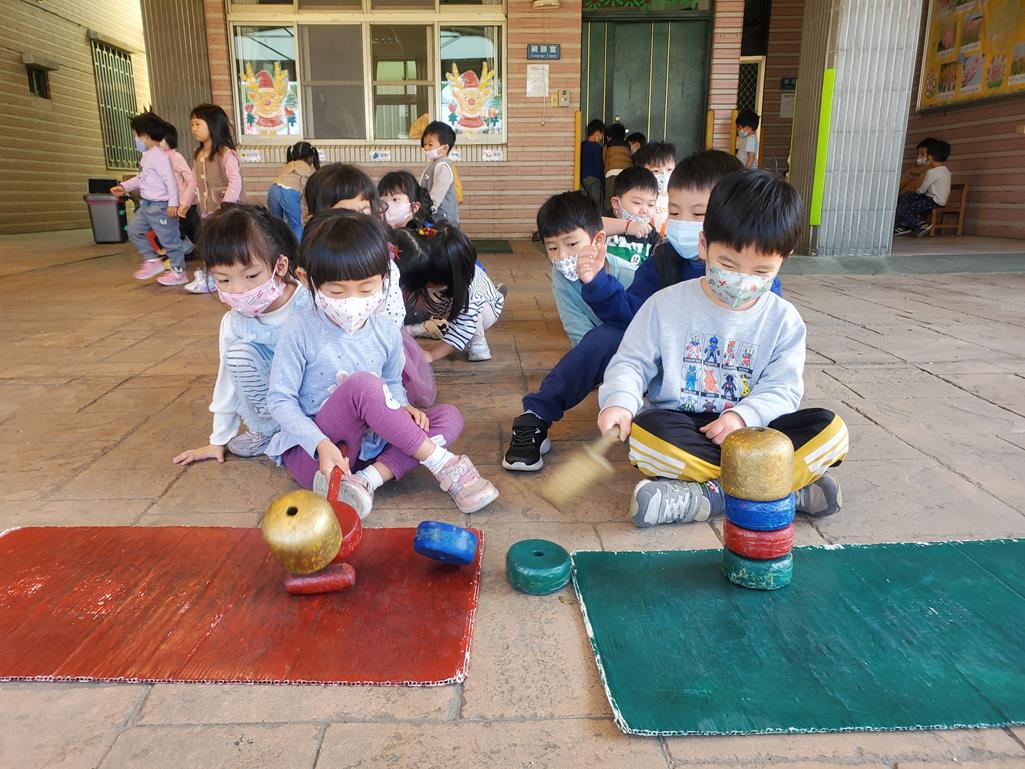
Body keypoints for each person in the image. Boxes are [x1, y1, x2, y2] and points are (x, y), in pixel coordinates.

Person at [597, 169, 848, 527]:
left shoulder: (784, 320)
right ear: (704, 245)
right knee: (645, 436)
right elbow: (631, 363)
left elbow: (783, 389)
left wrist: (743, 417)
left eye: (761, 272)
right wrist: (620, 401)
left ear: (784, 259)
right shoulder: (664, 305)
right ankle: (781, 491)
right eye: (728, 264)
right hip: (687, 429)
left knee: (831, 431)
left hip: (756, 431)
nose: (742, 281)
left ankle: (707, 495)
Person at [503, 150, 754, 472]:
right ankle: (536, 415)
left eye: (698, 213)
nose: (682, 224)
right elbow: (632, 316)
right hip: (662, 364)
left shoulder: (751, 280)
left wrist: (746, 413)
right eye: (674, 212)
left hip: (717, 382)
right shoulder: (663, 260)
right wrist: (598, 283)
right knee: (606, 336)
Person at [266, 211, 499, 516]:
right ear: (306, 279)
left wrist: (401, 405)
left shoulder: (386, 330)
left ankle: (366, 481)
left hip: (370, 450)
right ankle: (443, 463)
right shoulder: (299, 330)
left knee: (449, 418)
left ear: (385, 279)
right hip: (319, 457)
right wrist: (319, 444)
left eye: (366, 289)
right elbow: (280, 400)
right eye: (336, 291)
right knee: (363, 384)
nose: (352, 301)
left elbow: (391, 381)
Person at [173, 205, 312, 466]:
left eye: (251, 275)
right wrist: (218, 439)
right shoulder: (235, 323)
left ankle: (309, 432)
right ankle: (270, 432)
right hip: (274, 407)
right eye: (224, 280)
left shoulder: (309, 302)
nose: (238, 290)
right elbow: (227, 380)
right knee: (238, 355)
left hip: (315, 400)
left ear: (280, 265)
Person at [304, 164, 434, 407]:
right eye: (343, 214)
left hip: (376, 350)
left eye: (363, 212)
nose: (356, 222)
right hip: (324, 359)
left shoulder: (383, 265)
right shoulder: (312, 265)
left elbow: (392, 317)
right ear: (314, 219)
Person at [538, 191, 634, 346]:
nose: (562, 256)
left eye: (571, 244)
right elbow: (576, 330)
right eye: (552, 248)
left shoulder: (630, 276)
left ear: (598, 240)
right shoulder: (561, 276)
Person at [401, 222, 505, 363]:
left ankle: (478, 343)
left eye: (429, 280)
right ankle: (433, 325)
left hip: (486, 307)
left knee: (471, 317)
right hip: (444, 304)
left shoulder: (469, 292)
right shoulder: (425, 269)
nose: (424, 282)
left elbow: (463, 327)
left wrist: (431, 354)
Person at [111, 112, 186, 286]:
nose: (135, 139)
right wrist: (124, 187)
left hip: (161, 206)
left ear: (145, 135)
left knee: (169, 240)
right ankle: (152, 260)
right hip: (147, 205)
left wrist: (173, 203)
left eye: (136, 134)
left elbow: (171, 181)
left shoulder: (160, 157)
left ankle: (178, 272)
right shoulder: (147, 156)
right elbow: (142, 178)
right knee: (134, 230)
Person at [185, 104, 244, 294]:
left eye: (198, 124)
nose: (194, 128)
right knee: (209, 247)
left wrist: (226, 205)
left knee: (227, 246)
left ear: (213, 125)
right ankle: (212, 277)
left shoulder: (225, 154)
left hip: (226, 214)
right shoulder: (198, 155)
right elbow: (194, 181)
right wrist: (185, 203)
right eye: (192, 124)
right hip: (206, 213)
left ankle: (225, 277)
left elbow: (235, 180)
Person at [604, 167, 662, 274]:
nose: (644, 211)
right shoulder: (604, 221)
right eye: (637, 203)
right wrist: (628, 226)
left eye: (651, 205)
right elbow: (591, 226)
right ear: (616, 203)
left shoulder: (653, 236)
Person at [894, 140, 951, 237]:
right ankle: (903, 225)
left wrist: (915, 192)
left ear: (930, 157)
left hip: (933, 200)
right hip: (938, 200)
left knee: (903, 206)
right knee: (904, 199)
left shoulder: (932, 172)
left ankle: (921, 223)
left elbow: (922, 190)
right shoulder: (946, 170)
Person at [159, 121, 199, 256]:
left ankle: (180, 251)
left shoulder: (176, 157)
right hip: (171, 204)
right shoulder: (157, 159)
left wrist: (186, 201)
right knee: (185, 231)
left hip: (184, 204)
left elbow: (190, 179)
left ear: (169, 139)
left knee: (185, 230)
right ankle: (186, 248)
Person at [267, 141, 320, 240]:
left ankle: (276, 247)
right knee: (296, 226)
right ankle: (297, 249)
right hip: (290, 192)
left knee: (275, 224)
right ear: (311, 158)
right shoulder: (311, 171)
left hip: (274, 189)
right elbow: (306, 197)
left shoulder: (289, 165)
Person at [420, 121, 460, 225]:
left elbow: (434, 198)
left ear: (445, 148)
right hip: (434, 220)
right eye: (424, 144)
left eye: (430, 144)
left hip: (442, 223)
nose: (426, 148)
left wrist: (422, 211)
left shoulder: (442, 167)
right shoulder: (433, 165)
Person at [633, 141, 677, 232]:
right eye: (656, 171)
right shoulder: (636, 199)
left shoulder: (678, 198)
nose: (664, 176)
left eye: (669, 170)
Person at [602, 123, 633, 212]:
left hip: (611, 172)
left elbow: (604, 160)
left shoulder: (608, 145)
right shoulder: (627, 145)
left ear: (610, 136)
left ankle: (610, 215)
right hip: (627, 173)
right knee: (624, 195)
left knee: (610, 197)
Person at [579, 119, 605, 209]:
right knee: (595, 204)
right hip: (595, 179)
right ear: (597, 133)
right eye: (602, 134)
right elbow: (599, 165)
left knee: (586, 202)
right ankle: (594, 217)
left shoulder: (582, 145)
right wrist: (603, 179)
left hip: (583, 178)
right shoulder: (596, 147)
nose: (602, 138)